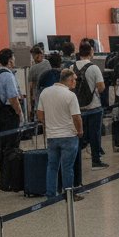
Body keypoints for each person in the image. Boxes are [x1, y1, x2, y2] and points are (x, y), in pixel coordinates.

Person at [36, 68, 83, 199]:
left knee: (52, 166)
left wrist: (49, 124)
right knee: (67, 167)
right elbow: (76, 117)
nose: (75, 83)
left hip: (52, 136)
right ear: (69, 80)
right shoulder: (70, 95)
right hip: (69, 136)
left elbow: (39, 114)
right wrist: (80, 131)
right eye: (74, 80)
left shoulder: (45, 92)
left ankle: (51, 194)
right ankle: (69, 194)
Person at [73, 42, 107, 170]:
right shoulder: (94, 68)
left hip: (78, 108)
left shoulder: (72, 67)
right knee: (95, 134)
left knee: (80, 135)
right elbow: (101, 87)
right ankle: (96, 161)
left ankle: (77, 163)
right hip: (94, 106)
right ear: (91, 52)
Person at [0, 49, 23, 159]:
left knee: (4, 144)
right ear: (9, 61)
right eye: (13, 59)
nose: (14, 61)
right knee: (12, 146)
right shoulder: (7, 76)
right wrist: (19, 113)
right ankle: (11, 171)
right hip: (9, 114)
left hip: (0, 112)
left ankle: (5, 169)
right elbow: (13, 98)